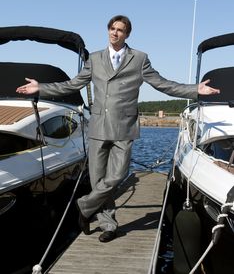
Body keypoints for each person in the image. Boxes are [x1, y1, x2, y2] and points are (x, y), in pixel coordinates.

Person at [16, 15, 220, 242]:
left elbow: (164, 85)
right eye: (112, 29)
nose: (115, 33)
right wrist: (41, 88)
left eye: (120, 30)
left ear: (127, 34)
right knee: (98, 180)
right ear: (108, 30)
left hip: (124, 127)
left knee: (118, 175)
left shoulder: (140, 59)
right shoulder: (94, 59)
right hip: (98, 127)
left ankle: (84, 206)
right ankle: (108, 225)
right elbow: (71, 85)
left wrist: (195, 90)